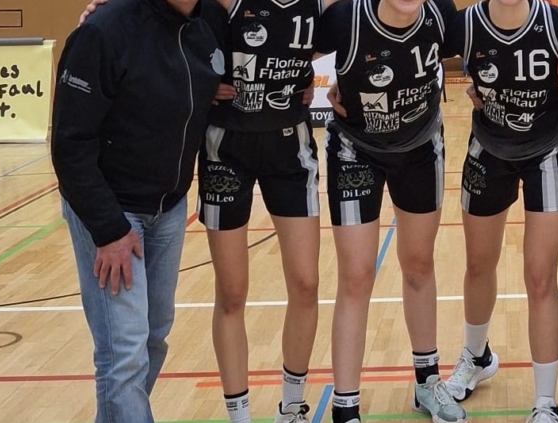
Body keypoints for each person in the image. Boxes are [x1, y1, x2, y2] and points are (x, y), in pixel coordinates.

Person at [79, 0, 341, 420]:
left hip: (290, 148)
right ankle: (239, 414)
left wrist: (323, 77)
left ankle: (293, 407)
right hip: (226, 149)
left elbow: (363, 21)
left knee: (307, 283)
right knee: (232, 292)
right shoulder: (215, 6)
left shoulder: (319, 6)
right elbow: (159, 18)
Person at [51, 0, 226, 422]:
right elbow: (69, 145)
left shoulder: (210, 24)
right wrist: (108, 230)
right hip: (111, 211)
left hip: (167, 209)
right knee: (124, 351)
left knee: (152, 337)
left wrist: (305, 89)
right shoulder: (103, 31)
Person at [440, 0, 558, 421]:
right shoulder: (463, 25)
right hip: (488, 149)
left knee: (540, 276)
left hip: (549, 150)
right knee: (478, 263)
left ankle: (545, 402)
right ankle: (476, 357)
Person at [315, 0, 463, 421]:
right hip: (355, 150)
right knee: (356, 275)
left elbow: (490, 41)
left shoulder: (440, 13)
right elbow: (287, 49)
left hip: (420, 148)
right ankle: (346, 407)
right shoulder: (344, 18)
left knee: (418, 264)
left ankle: (427, 384)